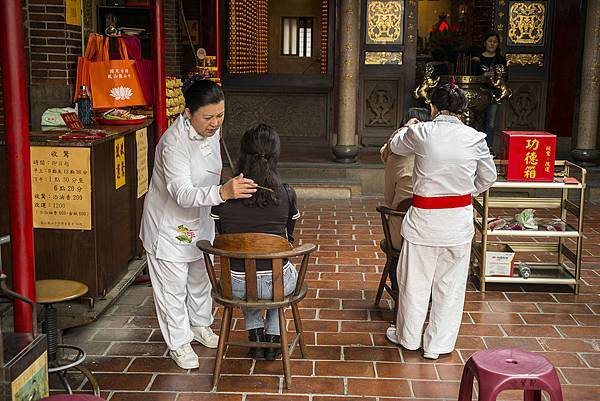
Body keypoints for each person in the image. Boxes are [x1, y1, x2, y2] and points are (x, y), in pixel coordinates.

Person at [139, 78, 258, 370]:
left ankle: (200, 325)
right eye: (208, 117)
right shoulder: (173, 144)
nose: (216, 123)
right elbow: (181, 193)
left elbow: (206, 174)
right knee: (172, 289)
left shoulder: (209, 134)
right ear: (188, 113)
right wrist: (222, 192)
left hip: (200, 219)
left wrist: (227, 184)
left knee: (199, 279)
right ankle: (178, 343)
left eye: (220, 115)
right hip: (169, 227)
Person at [385, 82, 497, 359]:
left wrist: (408, 126)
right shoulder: (475, 138)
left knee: (414, 283)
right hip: (457, 221)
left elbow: (396, 147)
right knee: (450, 287)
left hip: (424, 220)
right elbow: (489, 177)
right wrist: (463, 192)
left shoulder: (421, 132)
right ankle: (438, 345)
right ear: (462, 110)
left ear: (432, 107)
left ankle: (408, 338)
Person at [210, 124, 300, 361]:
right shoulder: (286, 194)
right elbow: (289, 235)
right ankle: (272, 337)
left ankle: (256, 336)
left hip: (236, 285)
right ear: (276, 156)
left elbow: (222, 233)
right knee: (275, 278)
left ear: (243, 154)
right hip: (276, 283)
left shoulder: (223, 195)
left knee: (245, 268)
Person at [380, 107, 431, 291]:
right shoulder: (436, 157)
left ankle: (397, 287)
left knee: (396, 252)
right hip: (433, 232)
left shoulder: (395, 159)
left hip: (401, 234)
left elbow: (389, 198)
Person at [471, 32, 507, 152]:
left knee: (490, 122)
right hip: (478, 93)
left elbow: (506, 76)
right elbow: (471, 76)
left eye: (494, 42)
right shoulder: (477, 58)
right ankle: (474, 148)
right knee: (476, 121)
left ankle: (489, 148)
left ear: (497, 44)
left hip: (493, 94)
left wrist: (496, 76)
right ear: (485, 42)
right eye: (490, 41)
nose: (492, 44)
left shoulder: (500, 59)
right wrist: (483, 76)